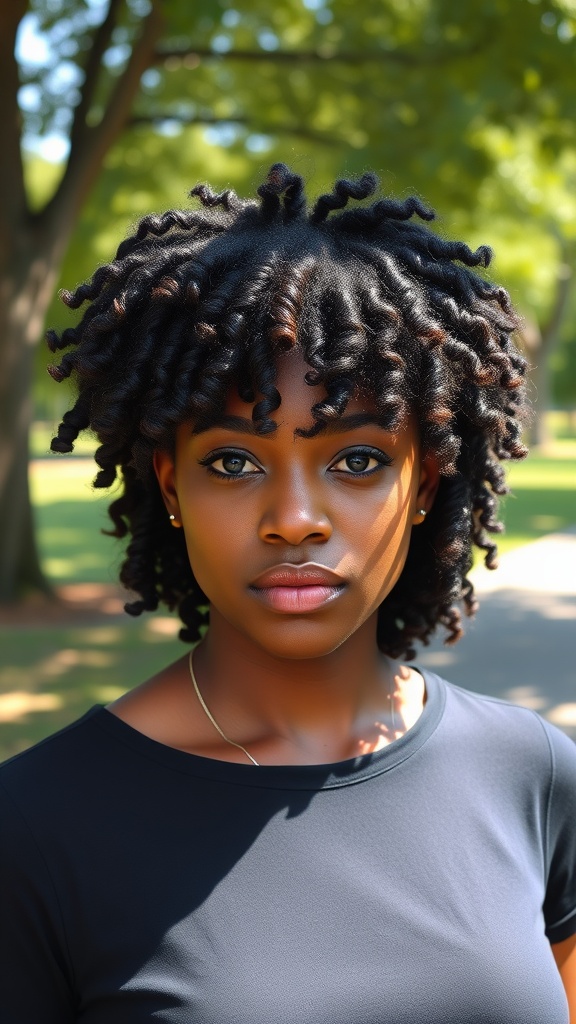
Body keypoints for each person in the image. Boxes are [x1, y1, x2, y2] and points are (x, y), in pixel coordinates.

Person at [1, 163, 575, 1023]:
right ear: (169, 483)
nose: (296, 520)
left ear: (425, 482)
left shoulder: (536, 775)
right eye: (234, 461)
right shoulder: (32, 827)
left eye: (357, 460)